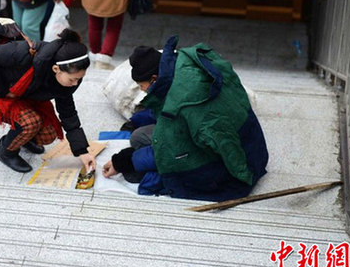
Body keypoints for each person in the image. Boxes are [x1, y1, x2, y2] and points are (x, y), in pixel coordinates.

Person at [102, 37, 269, 201]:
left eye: (142, 86)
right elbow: (164, 106)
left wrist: (121, 162)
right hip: (251, 144)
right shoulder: (181, 68)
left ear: (154, 79)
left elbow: (167, 151)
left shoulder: (185, 105)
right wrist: (137, 120)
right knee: (138, 136)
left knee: (138, 176)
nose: (143, 91)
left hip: (234, 166)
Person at [0, 28, 96, 173]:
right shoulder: (24, 53)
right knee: (30, 123)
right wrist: (3, 92)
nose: (76, 83)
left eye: (79, 79)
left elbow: (68, 114)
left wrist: (82, 152)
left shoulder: (66, 82)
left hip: (22, 95)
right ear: (56, 69)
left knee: (49, 134)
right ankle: (7, 152)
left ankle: (19, 138)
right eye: (73, 79)